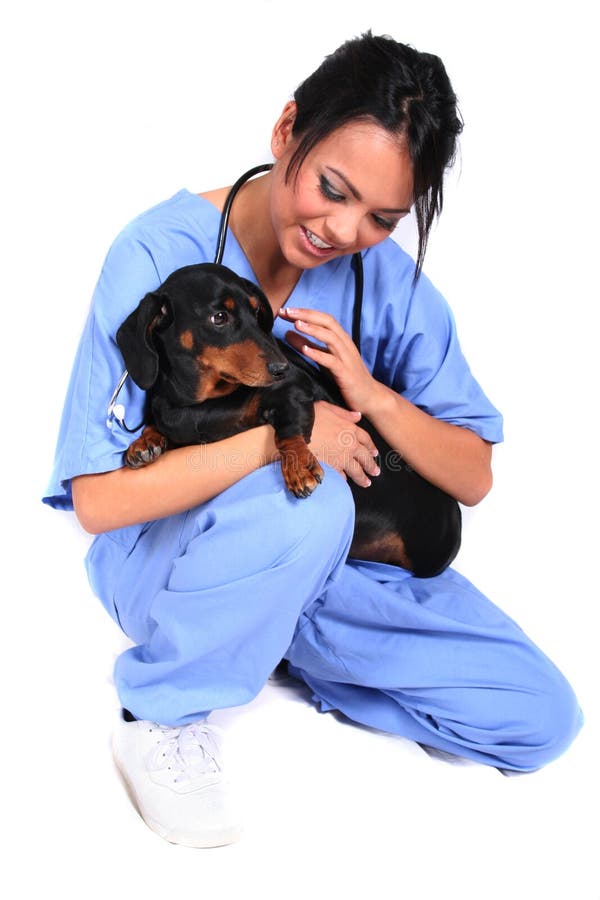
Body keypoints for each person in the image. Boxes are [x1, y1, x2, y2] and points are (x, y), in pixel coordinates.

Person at [43, 32, 582, 848]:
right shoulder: (157, 255)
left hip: (334, 567)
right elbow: (97, 500)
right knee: (310, 497)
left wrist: (370, 397)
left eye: (382, 218)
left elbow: (472, 475)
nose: (344, 229)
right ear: (286, 128)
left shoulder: (388, 282)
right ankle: (160, 708)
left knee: (542, 718)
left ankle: (275, 641)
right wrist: (282, 442)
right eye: (333, 188)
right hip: (170, 559)